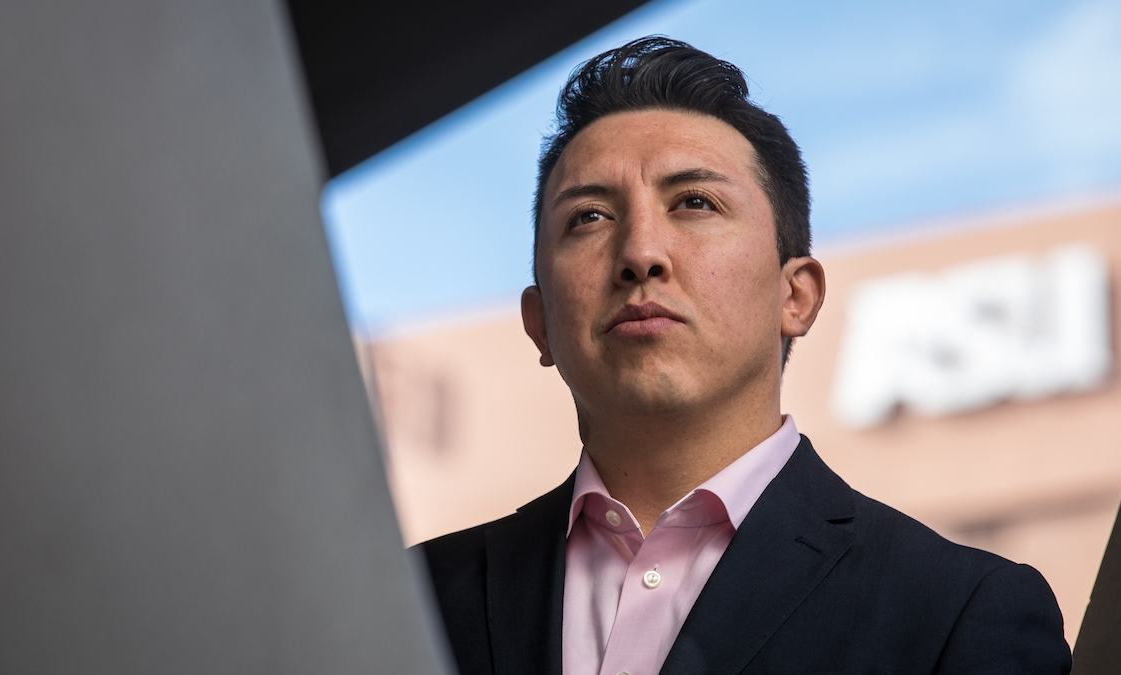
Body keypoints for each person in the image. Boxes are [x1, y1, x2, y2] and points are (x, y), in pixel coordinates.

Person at [418, 37, 1071, 675]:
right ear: (539, 323)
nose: (641, 253)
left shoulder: (956, 613)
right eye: (588, 216)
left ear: (796, 295)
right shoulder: (415, 598)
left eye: (695, 202)